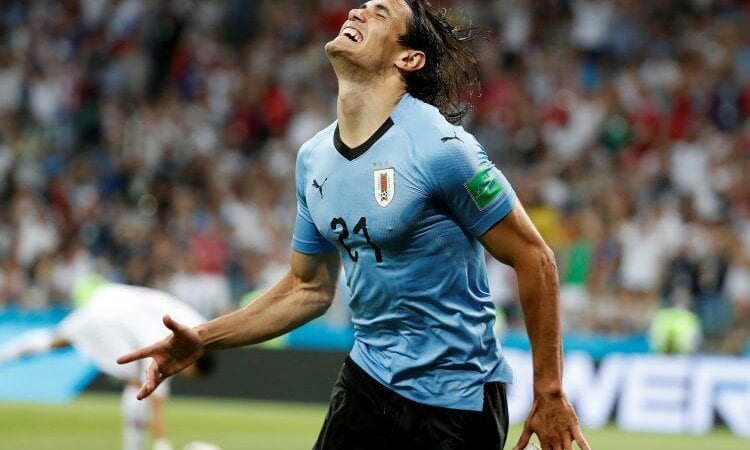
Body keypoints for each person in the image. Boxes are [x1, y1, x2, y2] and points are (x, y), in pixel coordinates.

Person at [118, 1, 590, 449]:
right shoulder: (313, 159)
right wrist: (204, 339)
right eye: (361, 7)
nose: (358, 12)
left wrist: (549, 390)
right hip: (369, 379)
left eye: (380, 13)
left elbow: (535, 257)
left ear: (409, 58)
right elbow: (308, 288)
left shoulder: (443, 149)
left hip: (457, 397)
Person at [0, 277, 215, 450]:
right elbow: (156, 395)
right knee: (139, 382)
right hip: (113, 318)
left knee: (57, 340)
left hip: (109, 297)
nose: (182, 372)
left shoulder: (195, 324)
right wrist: (161, 442)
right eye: (189, 372)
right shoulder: (176, 336)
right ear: (194, 361)